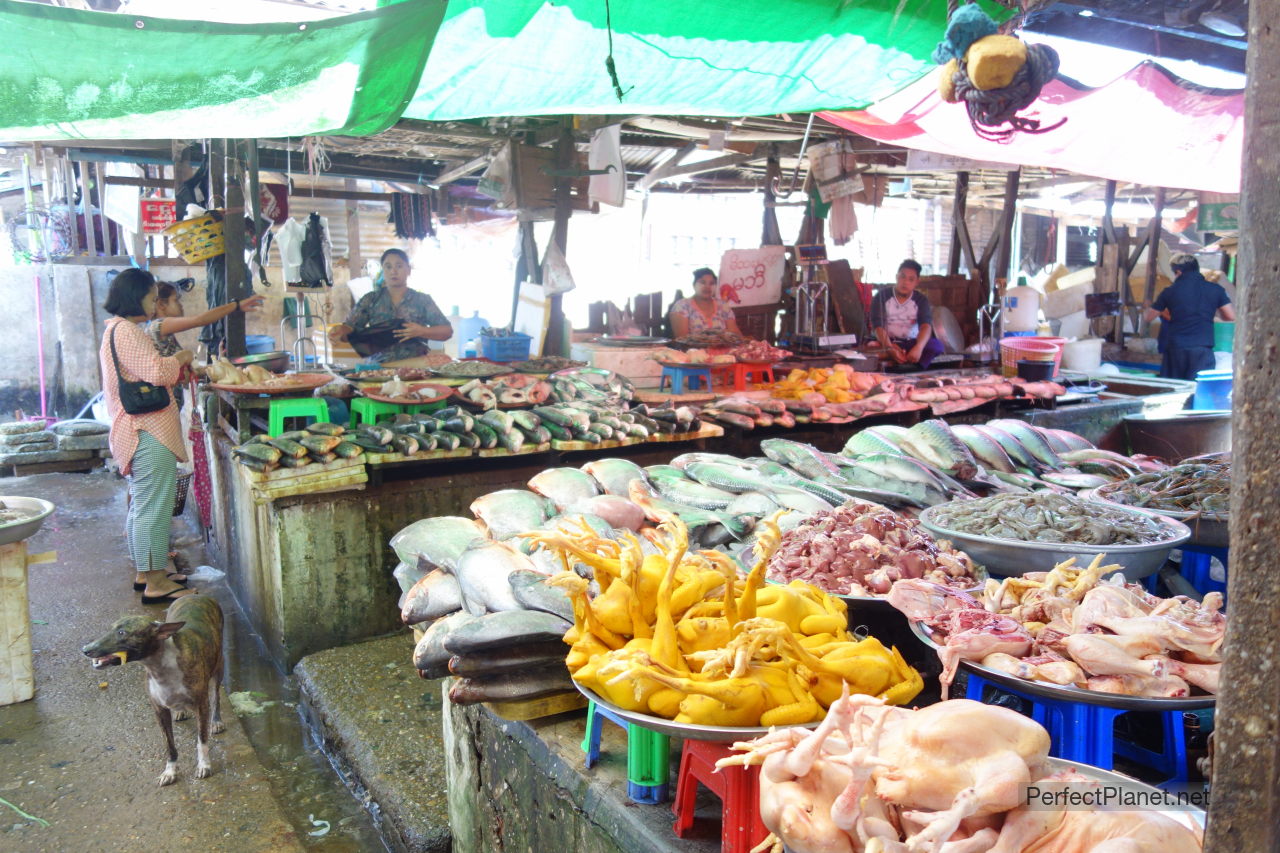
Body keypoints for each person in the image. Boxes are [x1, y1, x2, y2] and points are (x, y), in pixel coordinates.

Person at [99, 268, 196, 604]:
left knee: (144, 504)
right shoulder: (127, 331)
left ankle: (147, 572)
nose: (155, 305)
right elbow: (158, 372)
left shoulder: (118, 330)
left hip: (139, 430)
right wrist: (181, 357)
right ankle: (156, 581)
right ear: (135, 297)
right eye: (152, 298)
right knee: (153, 507)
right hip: (146, 431)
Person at [328, 249, 451, 362]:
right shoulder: (370, 299)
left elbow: (447, 332)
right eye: (388, 266)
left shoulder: (422, 300)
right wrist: (338, 331)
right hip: (379, 370)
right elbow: (349, 327)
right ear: (383, 271)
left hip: (416, 367)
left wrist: (421, 331)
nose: (393, 271)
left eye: (399, 266)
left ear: (408, 270)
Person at [1144, 253, 1235, 380]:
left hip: (1176, 349)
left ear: (1179, 272)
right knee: (1197, 389)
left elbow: (1148, 317)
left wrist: (1148, 306)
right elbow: (1230, 316)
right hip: (1202, 349)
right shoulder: (1216, 290)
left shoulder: (1169, 291)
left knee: (1174, 389)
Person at [148, 283, 265, 358]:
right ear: (162, 304)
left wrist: (219, 361)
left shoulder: (163, 331)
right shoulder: (158, 325)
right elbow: (200, 320)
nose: (180, 305)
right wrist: (236, 305)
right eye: (176, 300)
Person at [869, 259, 944, 368]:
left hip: (910, 343)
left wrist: (918, 347)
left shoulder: (921, 300)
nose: (905, 282)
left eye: (911, 279)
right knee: (870, 348)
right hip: (886, 342)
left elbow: (925, 326)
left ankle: (913, 369)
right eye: (902, 277)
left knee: (936, 346)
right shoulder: (882, 296)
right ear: (896, 277)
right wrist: (890, 348)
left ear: (917, 282)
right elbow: (878, 327)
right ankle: (898, 361)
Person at [669, 267, 744, 339]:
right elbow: (682, 339)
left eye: (712, 283)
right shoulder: (682, 306)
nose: (707, 287)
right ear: (694, 285)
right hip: (692, 351)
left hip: (725, 351)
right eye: (702, 282)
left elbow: (736, 335)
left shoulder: (723, 306)